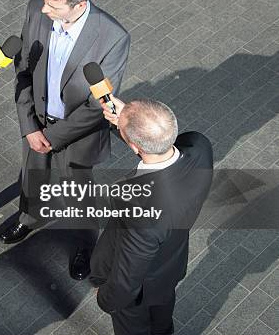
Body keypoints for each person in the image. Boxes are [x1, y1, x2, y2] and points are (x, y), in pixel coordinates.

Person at [3, 0, 130, 281]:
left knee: (79, 194)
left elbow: (97, 104)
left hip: (77, 134)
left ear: (79, 3)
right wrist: (30, 126)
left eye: (53, 6)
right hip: (37, 123)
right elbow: (23, 71)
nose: (44, 11)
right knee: (32, 177)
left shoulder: (113, 38)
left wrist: (54, 139)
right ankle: (29, 217)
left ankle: (85, 246)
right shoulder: (35, 8)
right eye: (44, 0)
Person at [90, 96, 214, 335]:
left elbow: (126, 282)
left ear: (136, 148)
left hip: (139, 290)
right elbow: (160, 148)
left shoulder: (142, 213)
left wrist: (105, 299)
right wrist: (128, 120)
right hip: (170, 267)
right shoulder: (200, 147)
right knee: (162, 318)